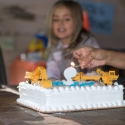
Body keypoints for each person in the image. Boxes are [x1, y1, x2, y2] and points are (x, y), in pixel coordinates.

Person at [46, 0, 100, 81]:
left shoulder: (88, 43)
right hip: (68, 90)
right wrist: (52, 80)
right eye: (56, 20)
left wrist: (88, 81)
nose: (60, 23)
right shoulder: (55, 47)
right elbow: (52, 68)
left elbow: (95, 69)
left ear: (78, 22)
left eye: (66, 19)